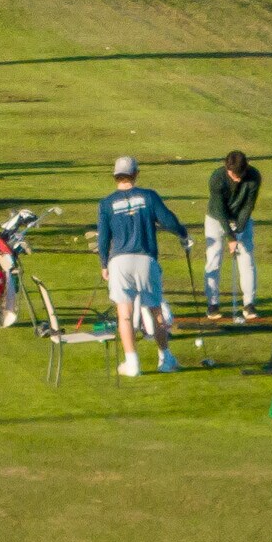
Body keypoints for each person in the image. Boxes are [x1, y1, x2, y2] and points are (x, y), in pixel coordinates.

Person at [97, 156, 190, 377]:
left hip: (119, 261)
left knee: (125, 315)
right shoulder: (148, 196)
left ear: (115, 176)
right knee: (155, 311)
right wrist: (183, 234)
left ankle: (132, 364)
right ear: (136, 174)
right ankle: (165, 357)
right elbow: (168, 220)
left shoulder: (106, 203)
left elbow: (103, 238)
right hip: (145, 260)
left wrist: (103, 263)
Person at [204, 150, 262, 322]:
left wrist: (238, 232)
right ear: (226, 168)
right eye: (232, 174)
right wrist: (230, 237)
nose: (236, 178)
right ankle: (212, 304)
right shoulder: (217, 178)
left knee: (247, 260)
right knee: (213, 259)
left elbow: (248, 207)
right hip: (216, 218)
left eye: (239, 175)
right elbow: (220, 210)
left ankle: (249, 304)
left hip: (240, 219)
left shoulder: (254, 177)